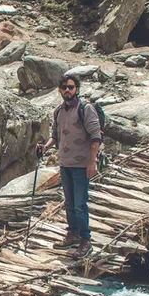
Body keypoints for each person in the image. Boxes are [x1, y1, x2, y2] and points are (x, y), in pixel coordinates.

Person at [37, 75, 102, 258]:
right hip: (65, 164)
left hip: (82, 165)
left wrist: (92, 162)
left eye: (71, 87)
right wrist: (46, 147)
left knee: (80, 204)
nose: (67, 90)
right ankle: (72, 233)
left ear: (77, 89)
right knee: (70, 203)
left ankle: (85, 240)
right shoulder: (59, 111)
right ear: (59, 90)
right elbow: (55, 136)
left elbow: (96, 136)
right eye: (64, 87)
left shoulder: (85, 109)